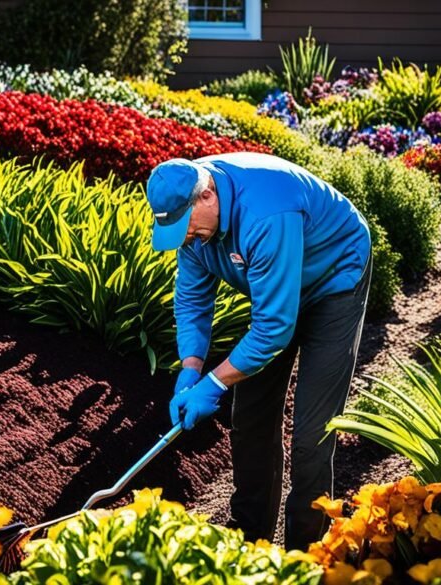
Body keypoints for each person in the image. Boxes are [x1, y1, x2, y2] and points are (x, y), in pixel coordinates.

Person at [146, 152, 371, 550]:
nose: (186, 237)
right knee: (249, 419)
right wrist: (191, 369)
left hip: (334, 278)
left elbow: (273, 331)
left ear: (207, 196)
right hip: (275, 292)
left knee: (311, 436)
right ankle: (251, 543)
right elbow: (193, 300)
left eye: (188, 228)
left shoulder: (266, 213)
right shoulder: (192, 220)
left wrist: (214, 384)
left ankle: (306, 556)